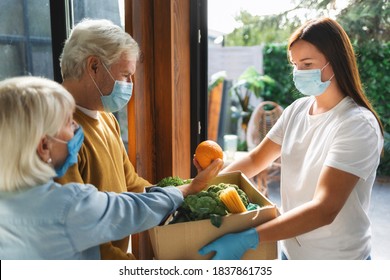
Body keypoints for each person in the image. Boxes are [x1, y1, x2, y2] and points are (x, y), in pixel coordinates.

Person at [199, 17, 384, 260]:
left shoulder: (357, 124)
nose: (299, 72)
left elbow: (324, 209)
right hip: (292, 252)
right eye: (295, 64)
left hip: (337, 260)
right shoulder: (297, 110)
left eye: (307, 64)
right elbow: (256, 159)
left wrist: (251, 237)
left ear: (336, 62)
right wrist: (204, 189)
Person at [0, 76, 223, 260]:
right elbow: (133, 209)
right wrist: (190, 187)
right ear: (45, 146)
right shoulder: (67, 206)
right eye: (69, 122)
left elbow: (131, 186)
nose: (77, 127)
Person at [56, 18, 151, 259]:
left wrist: (183, 196)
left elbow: (131, 184)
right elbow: (79, 232)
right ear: (94, 66)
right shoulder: (57, 132)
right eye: (125, 75)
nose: (130, 84)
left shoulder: (106, 118)